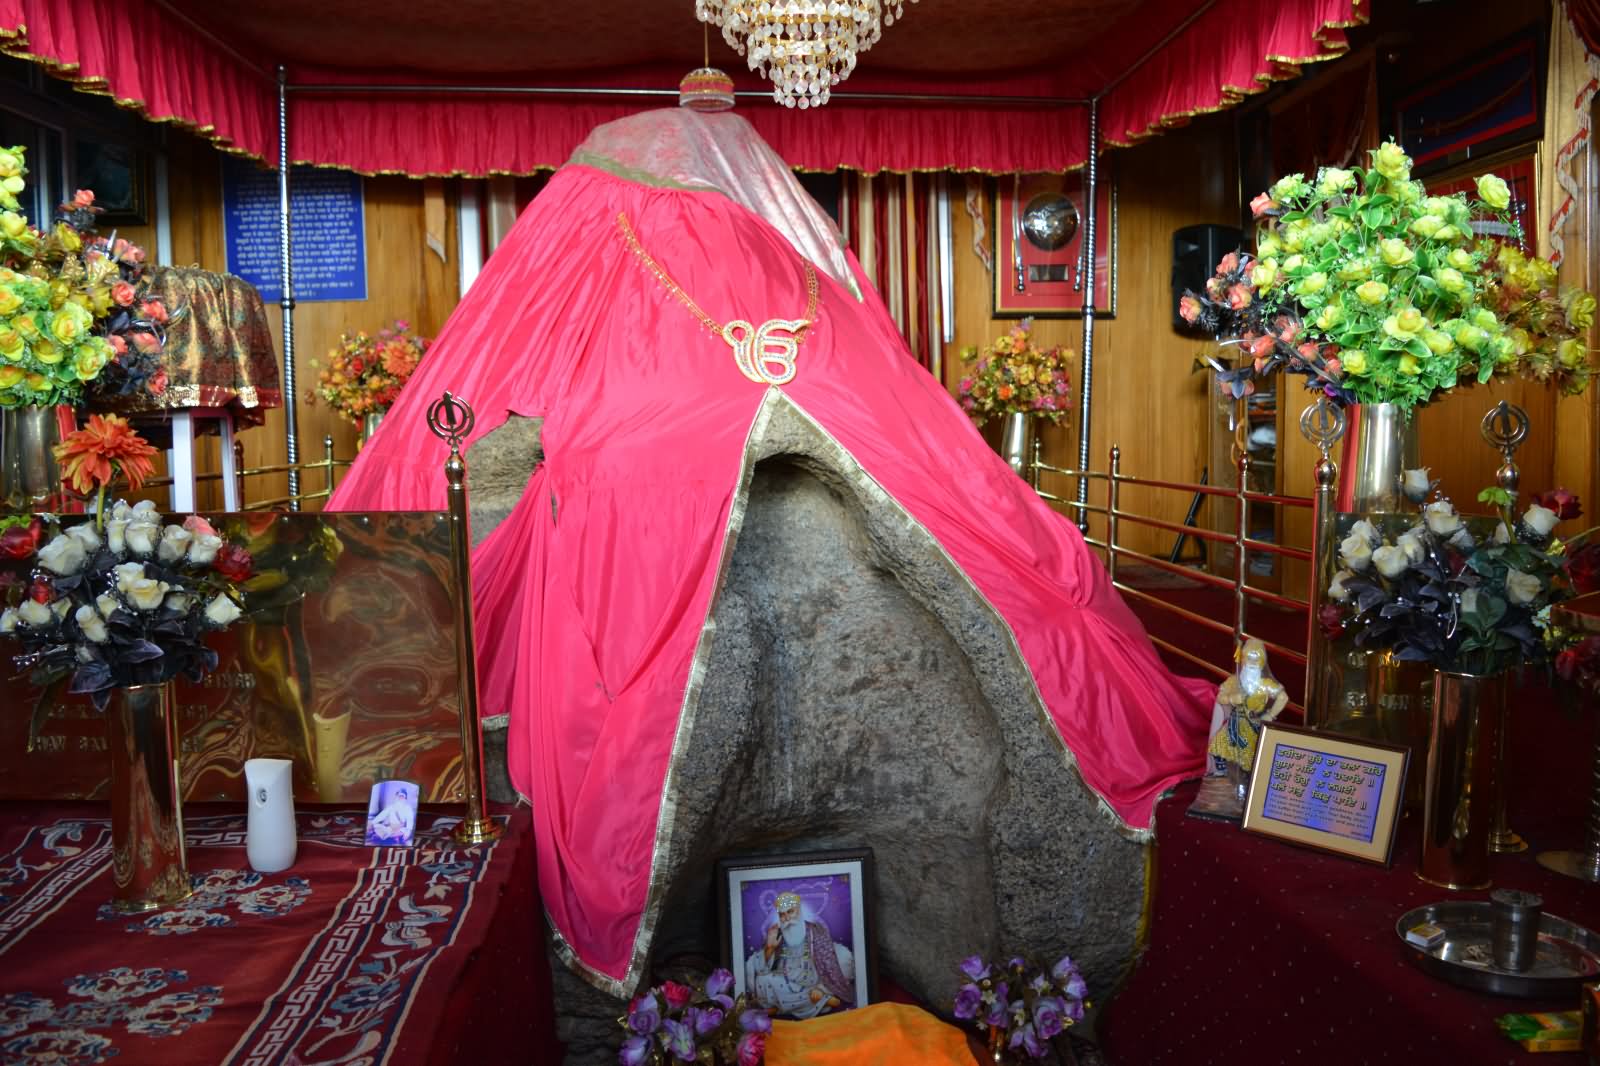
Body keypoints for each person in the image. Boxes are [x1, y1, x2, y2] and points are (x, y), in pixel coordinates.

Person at [745, 892, 855, 1018]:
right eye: (782, 914)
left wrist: (821, 988)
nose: (786, 918)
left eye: (790, 912)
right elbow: (761, 969)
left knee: (808, 990)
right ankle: (821, 1001)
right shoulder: (777, 933)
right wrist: (770, 947)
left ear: (799, 911)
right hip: (784, 979)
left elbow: (829, 965)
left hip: (810, 978)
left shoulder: (816, 931)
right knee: (762, 979)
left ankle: (780, 1007)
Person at [1206, 638, 1288, 776]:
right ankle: (1223, 773)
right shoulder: (1234, 681)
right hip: (1234, 723)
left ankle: (1250, 778)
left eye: (1256, 659)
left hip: (1254, 724)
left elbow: (1283, 697)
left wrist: (1270, 715)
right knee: (1218, 746)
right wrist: (1231, 699)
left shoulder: (1266, 684)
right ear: (1243, 660)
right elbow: (1220, 696)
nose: (1252, 663)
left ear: (1262, 662)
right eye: (1249, 658)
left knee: (1252, 753)